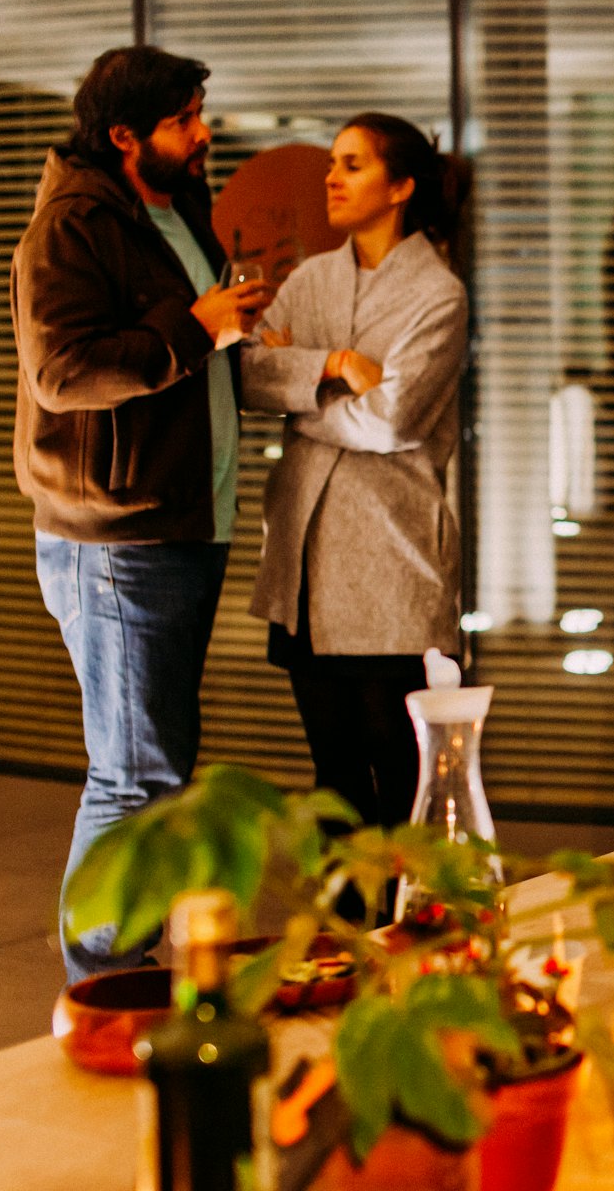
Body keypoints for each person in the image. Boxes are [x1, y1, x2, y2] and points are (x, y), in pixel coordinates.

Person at [12, 46, 269, 981]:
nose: (204, 132)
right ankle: (101, 980)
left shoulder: (176, 207)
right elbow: (63, 371)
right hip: (117, 540)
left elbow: (194, 339)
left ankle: (122, 967)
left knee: (156, 768)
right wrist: (195, 329)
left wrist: (230, 328)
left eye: (200, 112)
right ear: (123, 135)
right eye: (183, 119)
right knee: (133, 778)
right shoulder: (72, 225)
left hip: (179, 524)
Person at [242, 114, 468, 827]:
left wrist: (298, 388)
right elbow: (247, 376)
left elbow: (393, 420)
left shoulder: (438, 294)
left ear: (400, 187)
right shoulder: (311, 278)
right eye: (332, 163)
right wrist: (336, 366)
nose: (331, 178)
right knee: (333, 779)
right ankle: (345, 903)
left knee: (402, 783)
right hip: (305, 566)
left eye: (352, 164)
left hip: (389, 569)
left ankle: (405, 904)